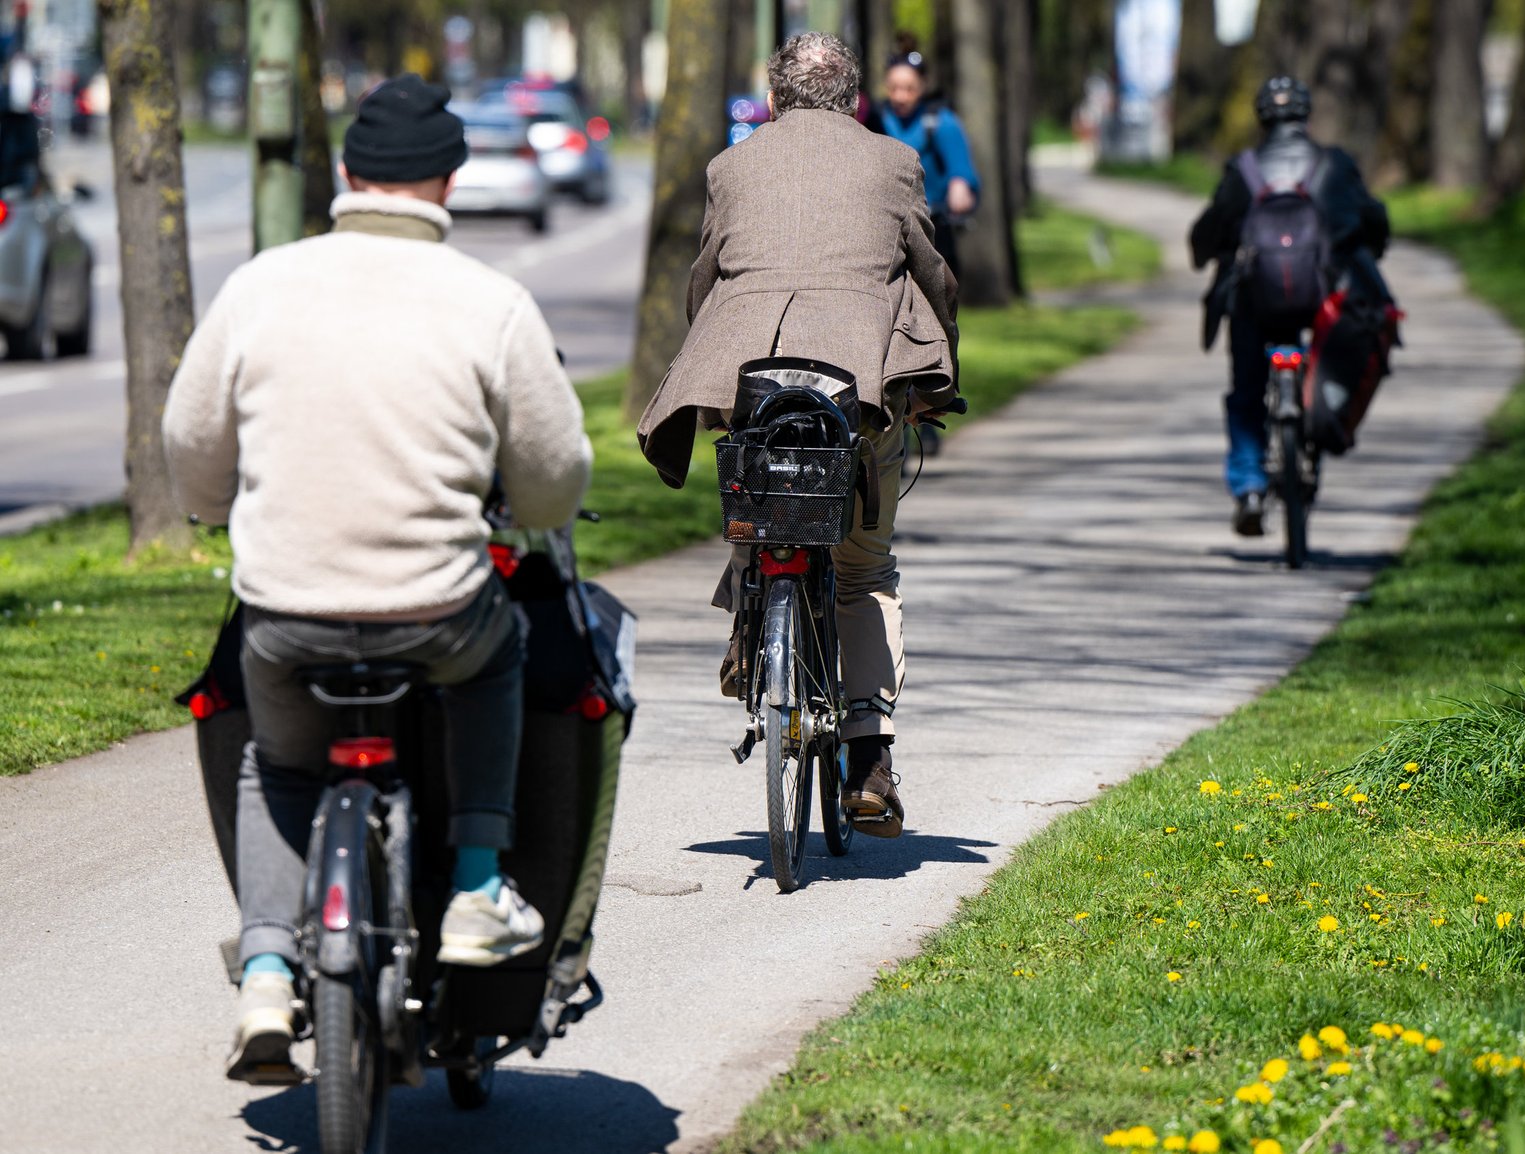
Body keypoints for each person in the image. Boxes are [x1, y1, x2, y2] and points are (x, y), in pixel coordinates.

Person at [162, 74, 593, 1084]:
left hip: (287, 616)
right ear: (448, 178)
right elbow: (553, 473)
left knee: (278, 764)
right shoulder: (493, 302)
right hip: (436, 610)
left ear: (347, 174)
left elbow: (189, 443)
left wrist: (216, 500)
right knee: (496, 664)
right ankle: (480, 883)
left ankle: (268, 966)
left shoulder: (261, 286)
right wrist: (529, 510)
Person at [637, 33, 957, 839]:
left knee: (759, 496)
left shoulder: (732, 165)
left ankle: (754, 625)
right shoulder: (893, 161)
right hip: (857, 390)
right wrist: (937, 367)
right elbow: (931, 272)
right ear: (854, 99)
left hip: (754, 376)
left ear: (774, 100)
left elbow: (706, 275)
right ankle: (870, 757)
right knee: (862, 569)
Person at [1190, 76, 1395, 536]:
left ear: (1261, 118)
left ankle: (1248, 487)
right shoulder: (1333, 166)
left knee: (1246, 394)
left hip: (1254, 301)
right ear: (1305, 116)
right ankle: (1317, 432)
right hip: (1319, 301)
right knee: (1330, 361)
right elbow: (1372, 218)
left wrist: (1206, 255)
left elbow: (1209, 230)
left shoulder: (1243, 170)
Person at [873, 45, 980, 273]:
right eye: (894, 88)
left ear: (923, 86)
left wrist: (959, 185)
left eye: (909, 89)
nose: (900, 96)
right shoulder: (877, 119)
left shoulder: (940, 121)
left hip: (931, 228)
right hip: (886, 229)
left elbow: (961, 169)